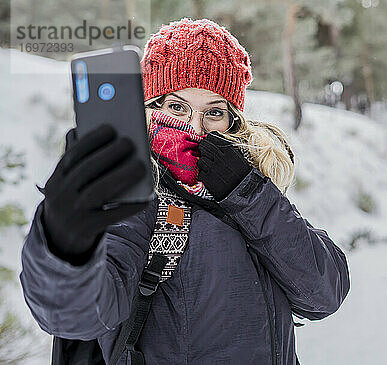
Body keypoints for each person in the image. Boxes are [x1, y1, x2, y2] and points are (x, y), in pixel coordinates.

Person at [19, 18, 350, 364]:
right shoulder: (133, 197)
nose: (193, 127)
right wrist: (63, 244)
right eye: (176, 106)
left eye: (214, 112)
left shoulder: (252, 184)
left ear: (234, 120)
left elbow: (323, 293)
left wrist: (248, 194)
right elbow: (78, 313)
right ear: (149, 108)